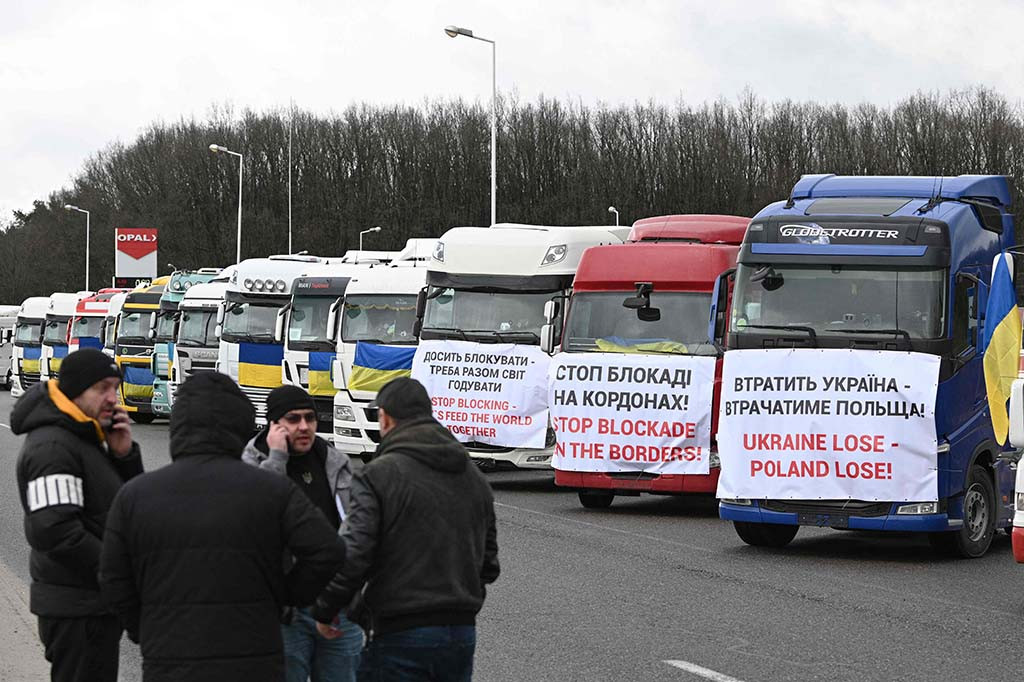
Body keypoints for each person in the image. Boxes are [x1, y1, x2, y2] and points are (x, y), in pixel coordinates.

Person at [99, 372, 345, 682]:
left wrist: (143, 628)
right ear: (240, 425)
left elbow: (113, 580)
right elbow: (329, 550)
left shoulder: (135, 496)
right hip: (255, 657)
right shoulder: (271, 490)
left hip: (170, 659)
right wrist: (284, 596)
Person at [311, 377, 500, 681]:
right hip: (460, 629)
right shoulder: (473, 477)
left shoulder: (377, 475)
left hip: (399, 627)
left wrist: (327, 606)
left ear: (385, 417)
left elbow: (355, 552)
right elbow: (488, 564)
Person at [11, 348, 143, 682]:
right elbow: (55, 532)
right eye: (102, 388)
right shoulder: (52, 448)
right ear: (74, 391)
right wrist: (118, 572)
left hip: (92, 603)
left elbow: (127, 508)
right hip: (77, 609)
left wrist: (124, 456)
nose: (113, 398)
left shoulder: (83, 437)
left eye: (116, 387)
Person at [242, 384, 363, 682]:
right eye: (293, 419)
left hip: (337, 606)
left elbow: (356, 528)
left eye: (310, 418)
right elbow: (260, 522)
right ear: (274, 425)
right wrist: (277, 460)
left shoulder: (334, 461)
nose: (305, 427)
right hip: (285, 613)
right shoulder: (250, 465)